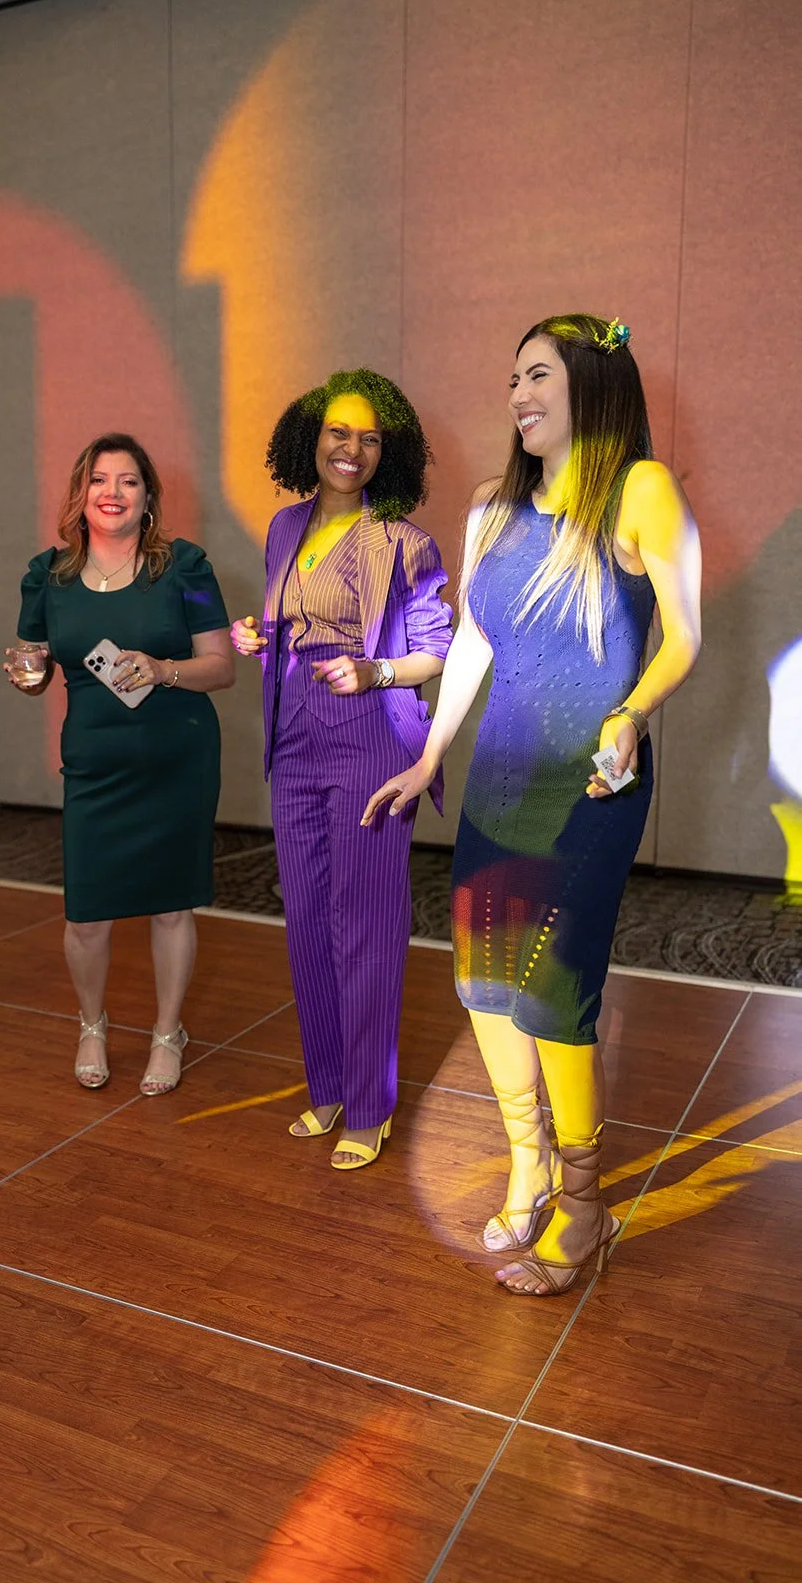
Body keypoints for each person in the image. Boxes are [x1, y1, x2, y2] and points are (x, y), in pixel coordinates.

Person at [365, 315, 702, 1292]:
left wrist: (634, 711)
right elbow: (474, 642)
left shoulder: (640, 491)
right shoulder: (488, 507)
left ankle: (585, 1202)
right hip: (498, 779)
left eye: (538, 375)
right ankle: (528, 1165)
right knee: (482, 982)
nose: (516, 393)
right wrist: (428, 749)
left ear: (591, 385)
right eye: (511, 376)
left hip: (589, 783)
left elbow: (681, 633)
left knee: (552, 990)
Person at [231, 369, 453, 1169]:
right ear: (309, 438)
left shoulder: (403, 541)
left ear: (386, 452)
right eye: (337, 432)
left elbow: (438, 651)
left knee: (364, 926)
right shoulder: (284, 526)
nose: (350, 449)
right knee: (306, 920)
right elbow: (286, 616)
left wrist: (376, 671)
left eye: (368, 437)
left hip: (366, 738)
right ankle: (326, 1086)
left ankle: (369, 1104)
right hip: (292, 733)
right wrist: (256, 635)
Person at [7, 433, 234, 1096]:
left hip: (177, 756)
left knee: (170, 906)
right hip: (94, 763)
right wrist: (25, 675)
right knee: (86, 914)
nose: (112, 492)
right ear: (80, 494)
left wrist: (163, 669)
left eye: (128, 480)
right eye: (99, 480)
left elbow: (219, 667)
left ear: (147, 497)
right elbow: (32, 661)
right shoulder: (46, 576)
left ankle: (168, 1032)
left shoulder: (185, 568)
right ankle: (92, 1023)